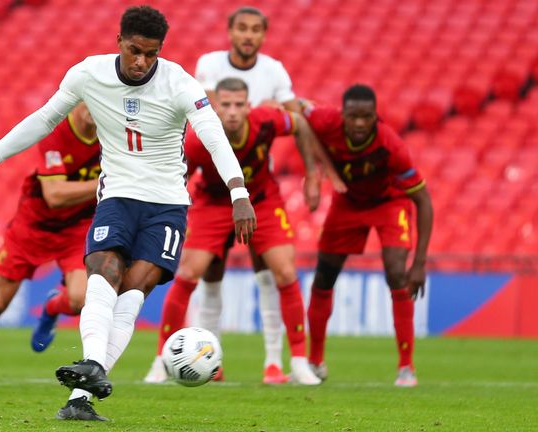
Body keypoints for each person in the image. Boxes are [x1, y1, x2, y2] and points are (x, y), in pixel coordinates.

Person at [0, 6, 255, 421]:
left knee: (131, 293)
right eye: (134, 51)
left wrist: (239, 192)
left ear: (160, 51)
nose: (141, 61)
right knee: (103, 276)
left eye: (151, 53)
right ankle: (92, 366)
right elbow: (44, 119)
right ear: (119, 42)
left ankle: (79, 400)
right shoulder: (88, 74)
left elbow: (215, 137)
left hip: (167, 206)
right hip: (116, 198)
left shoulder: (180, 83)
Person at [192, 6, 344, 384]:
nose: (248, 35)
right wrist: (259, 110)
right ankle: (207, 361)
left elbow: (298, 121)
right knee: (208, 272)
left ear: (263, 35)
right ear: (229, 31)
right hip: (214, 188)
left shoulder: (273, 70)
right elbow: (209, 111)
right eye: (241, 28)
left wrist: (313, 172)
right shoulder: (209, 64)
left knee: (271, 270)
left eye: (255, 30)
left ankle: (276, 363)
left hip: (257, 186)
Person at [144, 77, 324, 385]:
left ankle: (297, 361)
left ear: (249, 105)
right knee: (189, 271)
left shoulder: (266, 121)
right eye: (225, 105)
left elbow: (300, 124)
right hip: (213, 203)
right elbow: (178, 173)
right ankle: (162, 358)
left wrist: (312, 173)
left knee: (284, 271)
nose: (232, 112)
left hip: (262, 199)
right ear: (215, 107)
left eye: (239, 104)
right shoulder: (199, 140)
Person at [0, 102, 99, 385]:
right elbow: (55, 195)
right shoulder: (57, 132)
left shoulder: (113, 132)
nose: (97, 105)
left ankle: (51, 310)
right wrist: (107, 182)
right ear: (78, 99)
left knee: (81, 299)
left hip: (76, 228)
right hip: (32, 226)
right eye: (90, 98)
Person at [304, 84, 433, 387]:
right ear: (342, 115)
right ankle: (315, 362)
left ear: (377, 117)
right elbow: (295, 111)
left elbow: (424, 201)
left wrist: (421, 262)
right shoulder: (324, 120)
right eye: (353, 116)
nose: (360, 123)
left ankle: (406, 367)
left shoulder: (391, 146)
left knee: (396, 271)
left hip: (389, 202)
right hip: (347, 201)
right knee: (324, 277)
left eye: (367, 117)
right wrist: (313, 171)